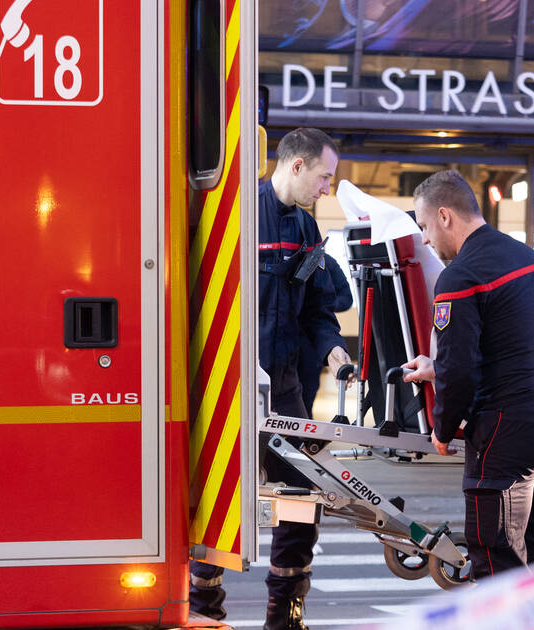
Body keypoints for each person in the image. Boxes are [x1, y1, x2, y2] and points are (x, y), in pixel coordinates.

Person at [190, 127, 352, 630]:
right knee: (219, 502)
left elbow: (320, 309)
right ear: (297, 166)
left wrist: (334, 349)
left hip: (284, 392)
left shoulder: (306, 230)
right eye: (324, 177)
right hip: (230, 391)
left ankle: (285, 614)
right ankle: (202, 610)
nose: (327, 188)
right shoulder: (236, 215)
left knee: (302, 499)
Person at [400, 170, 534, 580]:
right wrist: (436, 368)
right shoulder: (528, 258)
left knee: (498, 561)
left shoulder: (460, 277)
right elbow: (512, 344)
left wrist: (442, 428)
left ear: (445, 216)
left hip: (510, 429)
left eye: (425, 226)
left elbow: (461, 370)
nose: (426, 239)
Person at [299, 260, 354, 416]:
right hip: (283, 341)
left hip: (312, 342)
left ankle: (306, 436)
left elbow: (346, 298)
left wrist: (324, 305)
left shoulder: (327, 263)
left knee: (307, 394)